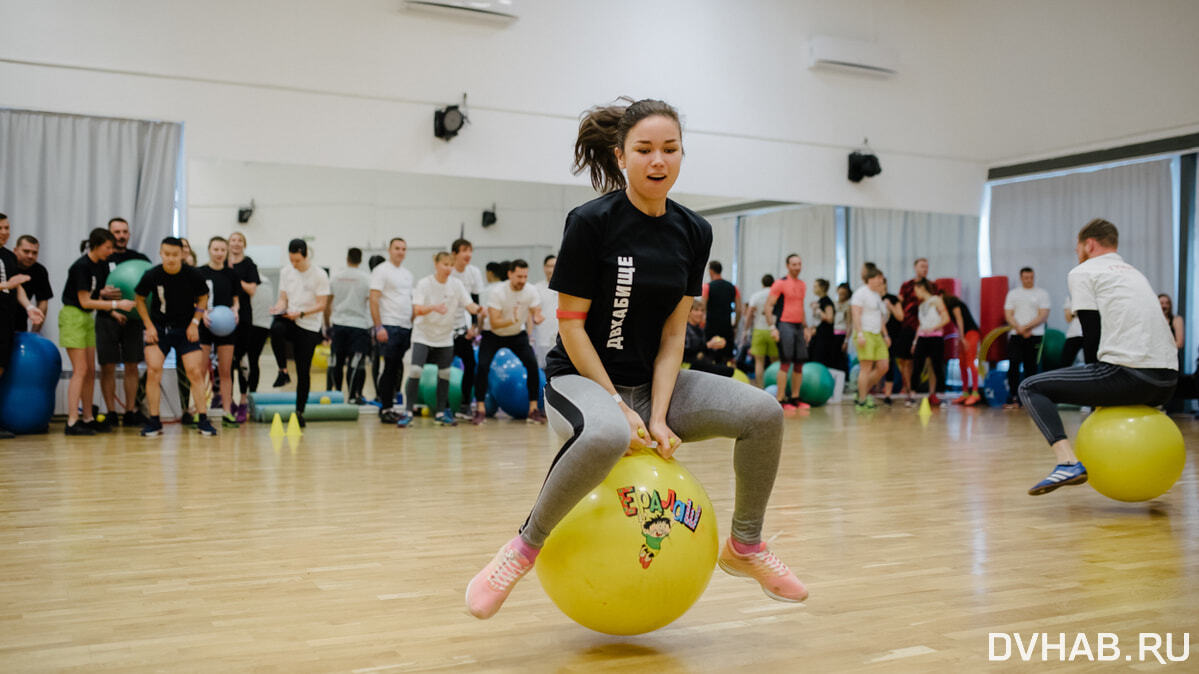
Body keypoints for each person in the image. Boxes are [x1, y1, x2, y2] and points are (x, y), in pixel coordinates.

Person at [465, 98, 806, 620]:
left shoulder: (694, 231)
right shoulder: (591, 222)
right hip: (578, 379)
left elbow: (673, 336)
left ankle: (745, 547)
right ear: (621, 156)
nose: (658, 161)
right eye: (644, 149)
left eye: (670, 149)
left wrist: (658, 413)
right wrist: (620, 409)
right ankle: (522, 549)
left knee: (764, 413)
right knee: (608, 434)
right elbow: (571, 326)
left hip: (653, 383)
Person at [1019, 219, 1178, 495]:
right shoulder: (1134, 273)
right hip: (1166, 382)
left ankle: (1067, 463)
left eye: (1077, 248)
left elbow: (1090, 334)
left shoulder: (1084, 271)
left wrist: (1096, 393)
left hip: (1130, 375)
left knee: (1030, 387)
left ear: (1088, 245)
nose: (1076, 253)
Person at [135, 237, 215, 437]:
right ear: (161, 253)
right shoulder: (152, 275)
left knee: (194, 371)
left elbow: (204, 297)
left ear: (182, 254)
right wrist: (149, 326)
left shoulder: (193, 275)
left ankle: (202, 419)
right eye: (166, 254)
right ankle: (154, 421)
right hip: (160, 329)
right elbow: (139, 299)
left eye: (174, 255)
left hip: (185, 328)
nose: (170, 259)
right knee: (153, 370)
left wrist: (195, 322)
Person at [397, 251, 481, 427]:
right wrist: (433, 308)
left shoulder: (456, 284)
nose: (448, 268)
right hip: (423, 335)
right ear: (436, 264)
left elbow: (469, 304)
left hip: (444, 337)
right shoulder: (424, 284)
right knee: (415, 371)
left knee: (445, 374)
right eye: (445, 264)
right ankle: (408, 411)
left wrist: (479, 310)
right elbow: (417, 309)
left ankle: (441, 412)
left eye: (451, 265)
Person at [59, 228, 118, 436]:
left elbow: (96, 297)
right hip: (73, 315)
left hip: (87, 317)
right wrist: (115, 305)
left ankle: (88, 417)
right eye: (107, 247)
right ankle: (72, 420)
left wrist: (114, 312)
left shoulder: (101, 266)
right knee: (80, 370)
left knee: (91, 370)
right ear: (95, 245)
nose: (110, 251)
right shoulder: (81, 266)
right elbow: (84, 300)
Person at [472, 259, 546, 425]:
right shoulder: (498, 292)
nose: (522, 280)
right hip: (493, 333)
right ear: (510, 274)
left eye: (525, 276)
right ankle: (480, 409)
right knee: (483, 366)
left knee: (532, 365)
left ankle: (533, 409)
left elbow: (535, 310)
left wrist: (537, 316)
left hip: (515, 334)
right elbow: (496, 321)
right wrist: (512, 319)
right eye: (519, 276)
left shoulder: (530, 290)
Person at [95, 217, 152, 428]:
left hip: (133, 319)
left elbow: (149, 291)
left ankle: (130, 411)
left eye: (124, 232)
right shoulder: (100, 259)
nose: (121, 235)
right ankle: (110, 411)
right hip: (106, 318)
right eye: (116, 232)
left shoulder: (139, 259)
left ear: (129, 234)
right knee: (107, 366)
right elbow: (89, 293)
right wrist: (102, 293)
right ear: (109, 234)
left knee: (132, 365)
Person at [269, 239, 331, 427]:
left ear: (305, 255)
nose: (294, 264)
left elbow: (322, 304)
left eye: (297, 260)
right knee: (275, 329)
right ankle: (283, 371)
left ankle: (300, 411)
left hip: (309, 325)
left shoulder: (319, 275)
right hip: (291, 319)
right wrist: (278, 307)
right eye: (291, 260)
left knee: (303, 370)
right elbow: (283, 298)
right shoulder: (286, 271)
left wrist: (302, 313)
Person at [368, 237, 414, 423]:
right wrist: (379, 326)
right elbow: (374, 299)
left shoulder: (407, 274)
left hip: (405, 326)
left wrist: (411, 322)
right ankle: (385, 408)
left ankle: (391, 406)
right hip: (388, 325)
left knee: (396, 368)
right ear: (389, 250)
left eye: (403, 248)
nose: (400, 252)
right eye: (397, 248)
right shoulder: (381, 271)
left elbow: (409, 300)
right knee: (388, 368)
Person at [198, 236, 241, 428]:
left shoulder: (231, 274)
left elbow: (236, 298)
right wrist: (202, 313)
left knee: (225, 371)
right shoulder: (199, 272)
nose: (219, 253)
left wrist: (236, 310)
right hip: (205, 325)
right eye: (216, 249)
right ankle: (200, 411)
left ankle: (227, 411)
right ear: (209, 250)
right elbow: (194, 298)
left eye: (223, 250)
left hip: (226, 327)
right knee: (199, 371)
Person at [325, 247, 372, 404]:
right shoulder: (367, 279)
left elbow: (327, 304)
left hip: (339, 324)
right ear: (360, 260)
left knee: (336, 361)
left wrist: (327, 325)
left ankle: (337, 395)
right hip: (359, 325)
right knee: (355, 363)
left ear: (347, 259)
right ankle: (352, 396)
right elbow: (371, 303)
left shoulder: (336, 277)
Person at [765, 254, 809, 413]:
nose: (797, 267)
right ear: (788, 266)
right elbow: (768, 307)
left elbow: (801, 308)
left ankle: (795, 398)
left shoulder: (803, 285)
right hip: (784, 325)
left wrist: (806, 328)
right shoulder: (780, 284)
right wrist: (773, 328)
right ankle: (780, 399)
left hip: (798, 326)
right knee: (785, 362)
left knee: (799, 363)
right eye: (794, 264)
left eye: (799, 264)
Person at [1002, 267, 1050, 408]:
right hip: (1017, 335)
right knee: (1013, 366)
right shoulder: (1013, 294)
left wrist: (1027, 327)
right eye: (1026, 277)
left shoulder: (1042, 294)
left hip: (1034, 335)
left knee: (1031, 367)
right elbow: (1008, 314)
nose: (1029, 280)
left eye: (1031, 277)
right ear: (1021, 278)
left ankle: (1030, 398)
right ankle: (1013, 397)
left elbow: (1043, 314)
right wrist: (1019, 328)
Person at [228, 231, 261, 422]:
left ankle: (242, 400)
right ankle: (227, 400)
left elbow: (251, 289)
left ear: (244, 244)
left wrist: (234, 279)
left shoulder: (248, 264)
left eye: (240, 240)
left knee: (242, 361)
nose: (236, 243)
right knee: (226, 363)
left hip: (244, 317)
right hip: (225, 317)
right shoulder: (223, 263)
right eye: (233, 240)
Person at [450, 238, 485, 416]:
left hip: (464, 328)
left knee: (470, 364)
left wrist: (474, 327)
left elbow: (475, 302)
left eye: (470, 250)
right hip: (446, 328)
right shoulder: (448, 272)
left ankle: (465, 404)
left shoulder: (474, 273)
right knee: (443, 367)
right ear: (454, 254)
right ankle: (445, 406)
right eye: (464, 250)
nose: (468, 254)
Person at [849, 268, 890, 409]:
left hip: (877, 334)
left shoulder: (876, 295)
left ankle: (862, 391)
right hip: (864, 333)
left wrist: (885, 335)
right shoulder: (861, 293)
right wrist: (860, 334)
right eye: (879, 278)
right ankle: (862, 399)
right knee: (866, 367)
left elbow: (880, 317)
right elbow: (855, 314)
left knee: (883, 366)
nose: (881, 281)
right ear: (871, 278)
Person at [909, 280, 951, 406]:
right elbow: (920, 325)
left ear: (921, 288)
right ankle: (912, 395)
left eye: (916, 290)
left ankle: (941, 395)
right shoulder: (921, 305)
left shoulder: (936, 300)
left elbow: (946, 318)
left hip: (935, 338)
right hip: (922, 338)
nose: (915, 294)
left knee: (937, 366)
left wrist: (934, 327)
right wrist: (915, 342)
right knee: (917, 366)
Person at [897, 258, 928, 406]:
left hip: (925, 329)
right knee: (906, 360)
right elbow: (900, 303)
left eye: (926, 267)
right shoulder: (907, 286)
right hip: (908, 327)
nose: (925, 269)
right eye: (922, 266)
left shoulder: (930, 287)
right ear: (915, 268)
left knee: (923, 362)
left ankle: (931, 393)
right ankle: (908, 389)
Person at [942, 291, 981, 405]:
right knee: (962, 363)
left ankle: (975, 392)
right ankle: (965, 393)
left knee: (970, 361)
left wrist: (962, 338)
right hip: (964, 335)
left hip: (971, 333)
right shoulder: (949, 309)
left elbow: (960, 320)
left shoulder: (955, 305)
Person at [684, 298, 734, 376]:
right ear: (688, 312)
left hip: (701, 362)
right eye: (696, 310)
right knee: (728, 371)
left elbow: (704, 350)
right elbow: (686, 352)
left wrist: (714, 346)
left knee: (725, 363)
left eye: (702, 310)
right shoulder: (685, 329)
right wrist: (708, 345)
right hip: (690, 365)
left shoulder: (700, 329)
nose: (700, 313)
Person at [13, 234, 52, 333]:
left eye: (34, 253)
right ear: (15, 250)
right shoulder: (8, 264)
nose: (30, 256)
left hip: (20, 322)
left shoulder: (39, 271)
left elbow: (43, 301)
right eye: (26, 251)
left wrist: (35, 331)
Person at [743, 274, 777, 387]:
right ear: (774, 283)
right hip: (773, 330)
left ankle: (760, 387)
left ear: (762, 283)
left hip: (759, 330)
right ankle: (775, 387)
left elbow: (749, 314)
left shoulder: (756, 296)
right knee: (775, 362)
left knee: (759, 362)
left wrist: (746, 330)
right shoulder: (776, 295)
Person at [701, 260, 739, 362]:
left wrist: (702, 323)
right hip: (726, 326)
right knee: (726, 357)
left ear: (711, 271)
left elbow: (702, 307)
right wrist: (735, 324)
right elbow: (739, 309)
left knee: (710, 356)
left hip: (711, 326)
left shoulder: (707, 287)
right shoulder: (733, 287)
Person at [880, 278, 905, 405]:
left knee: (889, 364)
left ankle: (888, 395)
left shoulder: (893, 298)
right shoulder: (873, 299)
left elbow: (900, 317)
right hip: (876, 336)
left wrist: (890, 306)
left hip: (892, 337)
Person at [532, 254, 559, 369]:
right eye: (549, 266)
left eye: (554, 266)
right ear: (544, 268)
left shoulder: (564, 287)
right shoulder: (536, 288)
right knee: (542, 366)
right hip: (541, 335)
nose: (551, 269)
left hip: (559, 333)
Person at [807, 278, 836, 371]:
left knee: (821, 360)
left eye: (816, 286)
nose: (813, 288)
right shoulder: (819, 301)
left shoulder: (827, 301)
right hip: (817, 335)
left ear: (822, 288)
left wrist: (818, 310)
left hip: (825, 337)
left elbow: (830, 319)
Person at [1061, 295, 1084, 368]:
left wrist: (1075, 312)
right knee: (1064, 363)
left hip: (1090, 333)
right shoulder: (1070, 297)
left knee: (1092, 362)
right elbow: (1068, 319)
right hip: (1074, 333)